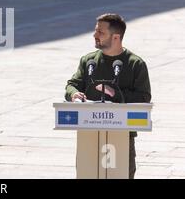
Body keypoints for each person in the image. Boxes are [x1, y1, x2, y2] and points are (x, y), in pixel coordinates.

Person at [65, 13, 151, 179]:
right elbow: (72, 84)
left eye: (100, 32)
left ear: (116, 37)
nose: (95, 35)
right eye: (96, 30)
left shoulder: (135, 64)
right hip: (89, 133)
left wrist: (116, 94)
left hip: (122, 135)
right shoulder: (88, 61)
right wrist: (74, 94)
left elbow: (144, 97)